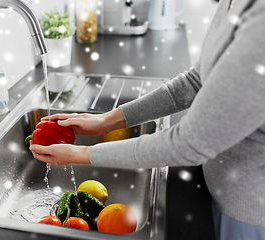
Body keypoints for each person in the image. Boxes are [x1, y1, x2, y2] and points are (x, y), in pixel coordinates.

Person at [30, 0, 265, 239]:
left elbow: (189, 143)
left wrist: (82, 154)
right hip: (220, 186)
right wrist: (108, 120)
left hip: (249, 210)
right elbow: (197, 80)